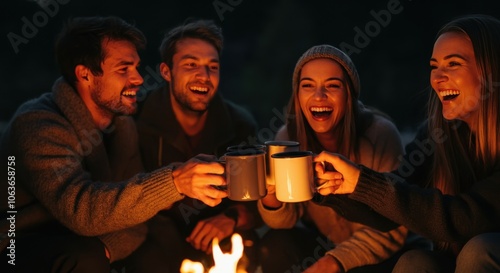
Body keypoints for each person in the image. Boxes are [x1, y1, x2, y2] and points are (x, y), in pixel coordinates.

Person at [0, 16, 229, 273]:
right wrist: (174, 182)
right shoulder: (37, 126)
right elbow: (82, 210)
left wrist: (107, 248)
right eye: (124, 69)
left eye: (136, 67)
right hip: (13, 246)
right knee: (86, 258)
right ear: (85, 74)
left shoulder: (121, 126)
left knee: (157, 249)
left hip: (84, 241)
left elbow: (136, 216)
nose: (139, 79)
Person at [314, 14, 500, 273]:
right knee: (415, 262)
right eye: (434, 66)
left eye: (453, 64)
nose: (437, 78)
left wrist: (364, 182)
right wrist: (334, 185)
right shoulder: (436, 137)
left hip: (483, 255)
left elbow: (464, 218)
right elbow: (392, 206)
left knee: (478, 250)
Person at [257, 44, 414, 273]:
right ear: (298, 95)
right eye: (308, 86)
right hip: (324, 243)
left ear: (349, 94)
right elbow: (284, 222)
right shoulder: (288, 138)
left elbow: (393, 229)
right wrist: (271, 196)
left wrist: (334, 262)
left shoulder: (381, 135)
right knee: (275, 243)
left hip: (379, 253)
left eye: (332, 86)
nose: (319, 96)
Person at [134, 19, 261, 272]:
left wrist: (231, 218)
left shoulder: (238, 124)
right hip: (153, 242)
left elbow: (261, 202)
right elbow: (119, 196)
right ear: (166, 71)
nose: (203, 76)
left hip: (219, 242)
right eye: (191, 65)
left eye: (212, 67)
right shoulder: (136, 121)